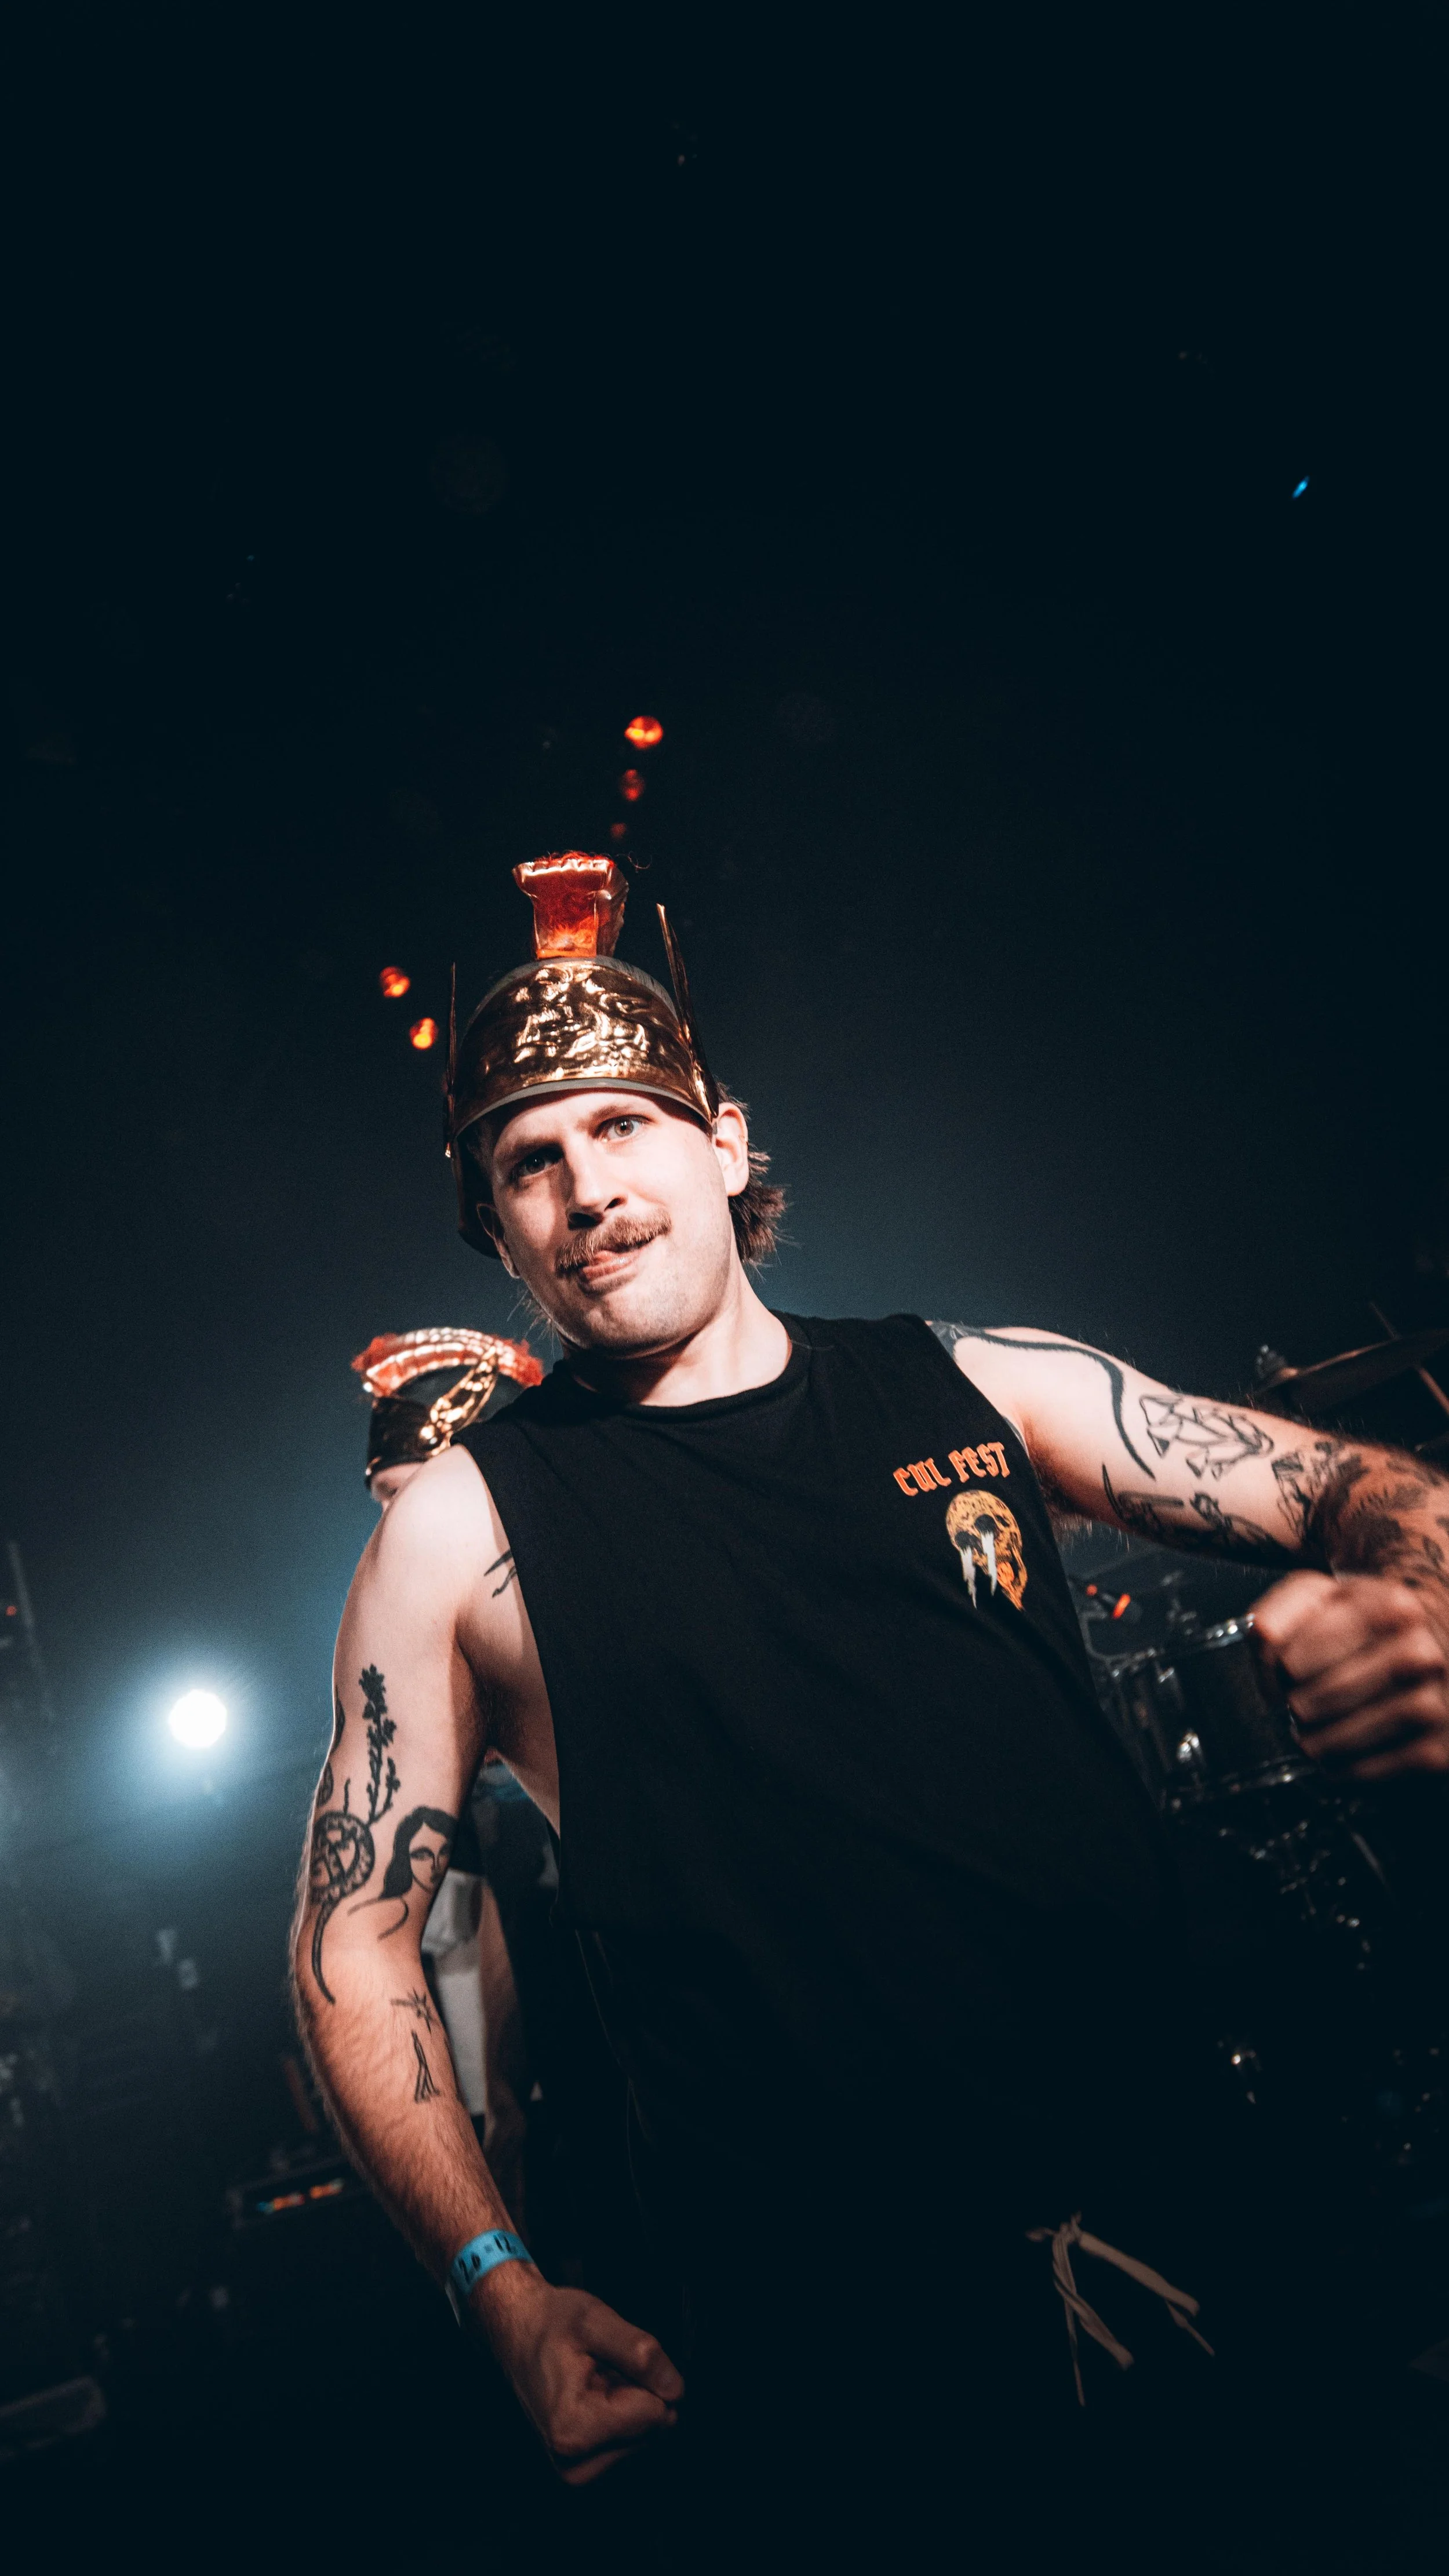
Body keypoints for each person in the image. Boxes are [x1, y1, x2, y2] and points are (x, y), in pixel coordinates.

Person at [293, 852, 1449, 2568]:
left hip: (1196, 2218)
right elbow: (357, 1934)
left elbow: (1361, 1486)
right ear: (499, 1228)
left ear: (724, 1143)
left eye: (620, 1127)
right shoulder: (458, 1532)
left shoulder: (975, 1383)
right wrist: (497, 2285)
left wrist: (1417, 1599)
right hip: (834, 2360)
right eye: (529, 1163)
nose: (585, 1187)